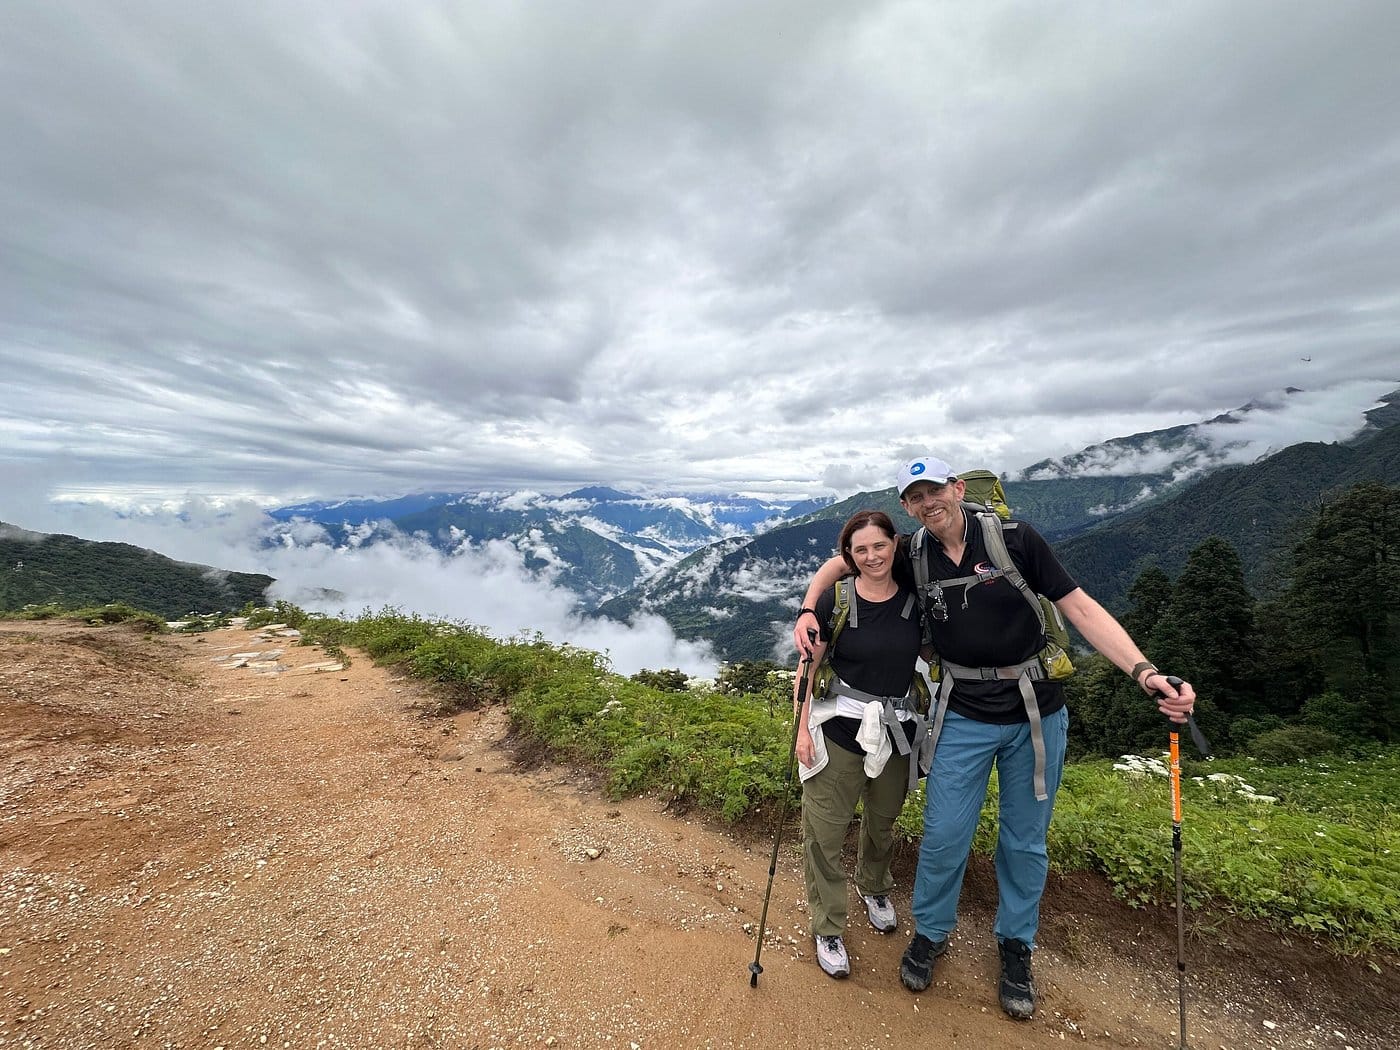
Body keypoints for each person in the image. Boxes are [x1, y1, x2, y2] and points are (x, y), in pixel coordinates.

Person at [792, 457, 1196, 1018]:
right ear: (906, 507)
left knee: (1025, 840)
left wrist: (1145, 672)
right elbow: (845, 565)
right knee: (944, 832)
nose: (929, 503)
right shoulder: (911, 553)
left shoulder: (1015, 539)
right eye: (916, 497)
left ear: (958, 489)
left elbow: (1077, 605)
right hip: (962, 712)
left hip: (1036, 711)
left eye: (936, 490)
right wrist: (809, 610)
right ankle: (931, 933)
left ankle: (1015, 946)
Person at [792, 509, 927, 979]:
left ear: (896, 545)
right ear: (848, 554)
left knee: (883, 821)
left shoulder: (916, 598)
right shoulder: (836, 601)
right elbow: (808, 666)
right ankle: (827, 925)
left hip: (897, 731)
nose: (872, 556)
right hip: (837, 731)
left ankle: (874, 885)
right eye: (860, 549)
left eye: (880, 546)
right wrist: (801, 728)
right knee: (824, 832)